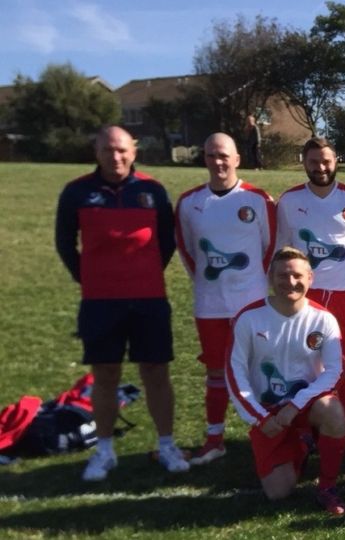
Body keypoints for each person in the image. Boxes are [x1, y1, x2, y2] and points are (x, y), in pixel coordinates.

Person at [55, 125, 189, 481]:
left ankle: (166, 445)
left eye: (122, 150)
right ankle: (104, 451)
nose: (115, 157)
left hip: (149, 299)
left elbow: (166, 241)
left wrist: (143, 274)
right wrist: (91, 279)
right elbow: (65, 244)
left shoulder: (152, 190)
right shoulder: (76, 192)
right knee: (105, 375)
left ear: (134, 151)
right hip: (100, 302)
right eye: (107, 150)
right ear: (96, 151)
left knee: (156, 372)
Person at [176, 133, 275, 464]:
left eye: (223, 155)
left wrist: (248, 285)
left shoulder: (259, 200)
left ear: (237, 159)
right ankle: (214, 438)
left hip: (252, 301)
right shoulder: (189, 203)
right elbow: (189, 253)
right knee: (216, 373)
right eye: (210, 155)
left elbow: (269, 248)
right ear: (203, 159)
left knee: (263, 370)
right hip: (210, 303)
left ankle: (267, 432)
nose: (218, 162)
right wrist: (212, 284)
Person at [226, 247, 345, 515]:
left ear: (310, 278)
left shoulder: (323, 319)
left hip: (305, 407)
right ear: (270, 277)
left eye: (297, 275)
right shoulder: (248, 318)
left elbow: (335, 371)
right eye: (282, 275)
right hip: (269, 414)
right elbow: (235, 374)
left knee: (333, 411)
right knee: (277, 493)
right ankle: (303, 443)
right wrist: (260, 418)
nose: (290, 282)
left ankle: (327, 487)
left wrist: (296, 405)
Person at [276, 137, 345, 454]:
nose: (321, 167)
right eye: (314, 161)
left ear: (337, 161)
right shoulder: (289, 202)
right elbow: (281, 250)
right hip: (306, 298)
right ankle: (305, 429)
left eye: (327, 161)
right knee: (305, 365)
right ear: (303, 161)